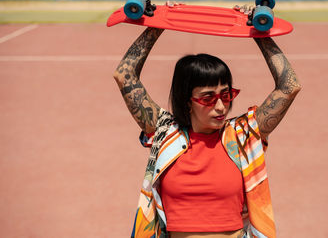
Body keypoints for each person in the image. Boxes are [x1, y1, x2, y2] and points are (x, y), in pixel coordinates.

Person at [113, 18, 301, 238]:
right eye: (208, 98)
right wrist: (158, 22)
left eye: (226, 95)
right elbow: (124, 76)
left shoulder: (242, 135)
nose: (221, 107)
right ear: (187, 101)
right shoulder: (165, 132)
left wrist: (258, 32)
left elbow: (289, 87)